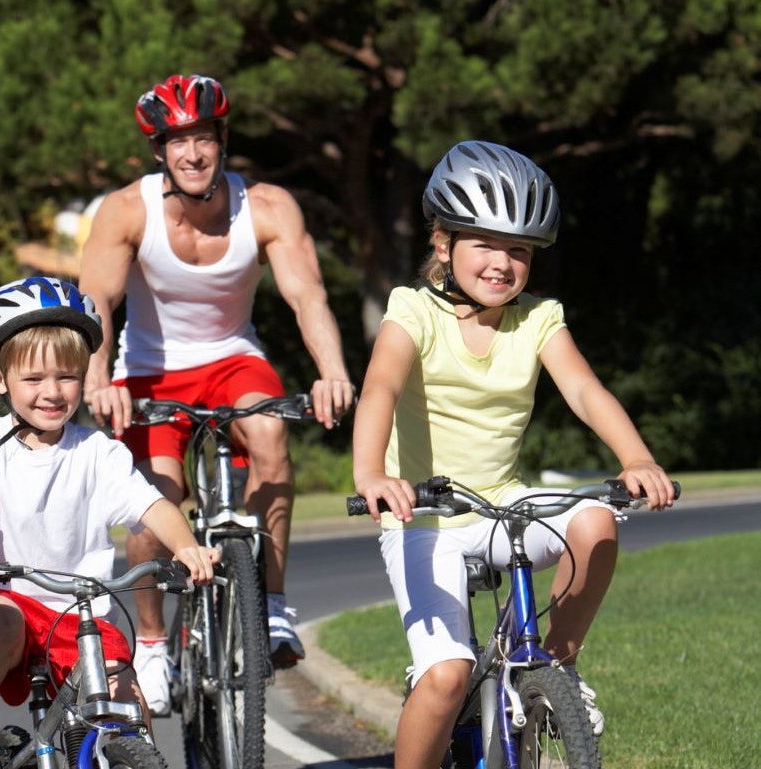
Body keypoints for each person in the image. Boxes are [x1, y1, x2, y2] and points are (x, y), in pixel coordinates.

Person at [350, 140, 677, 769]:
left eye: (520, 251)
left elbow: (583, 389)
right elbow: (381, 387)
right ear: (443, 242)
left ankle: (555, 670)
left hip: (501, 503)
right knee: (446, 678)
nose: (503, 263)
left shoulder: (538, 318)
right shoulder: (412, 310)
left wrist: (637, 458)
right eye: (486, 245)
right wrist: (372, 473)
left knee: (596, 522)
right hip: (424, 517)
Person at [77, 73, 355, 713]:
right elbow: (96, 304)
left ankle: (274, 605)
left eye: (203, 137)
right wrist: (98, 382)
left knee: (271, 437)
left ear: (222, 141)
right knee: (154, 504)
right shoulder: (125, 211)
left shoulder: (266, 206)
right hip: (148, 370)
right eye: (178, 141)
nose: (193, 153)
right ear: (159, 152)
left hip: (234, 361)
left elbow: (307, 295)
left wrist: (333, 371)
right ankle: (150, 643)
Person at [0, 276, 219, 769]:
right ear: (0, 378)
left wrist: (186, 546)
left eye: (66, 377)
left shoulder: (98, 451)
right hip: (4, 603)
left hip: (80, 613)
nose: (52, 392)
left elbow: (151, 506)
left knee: (130, 707)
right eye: (34, 379)